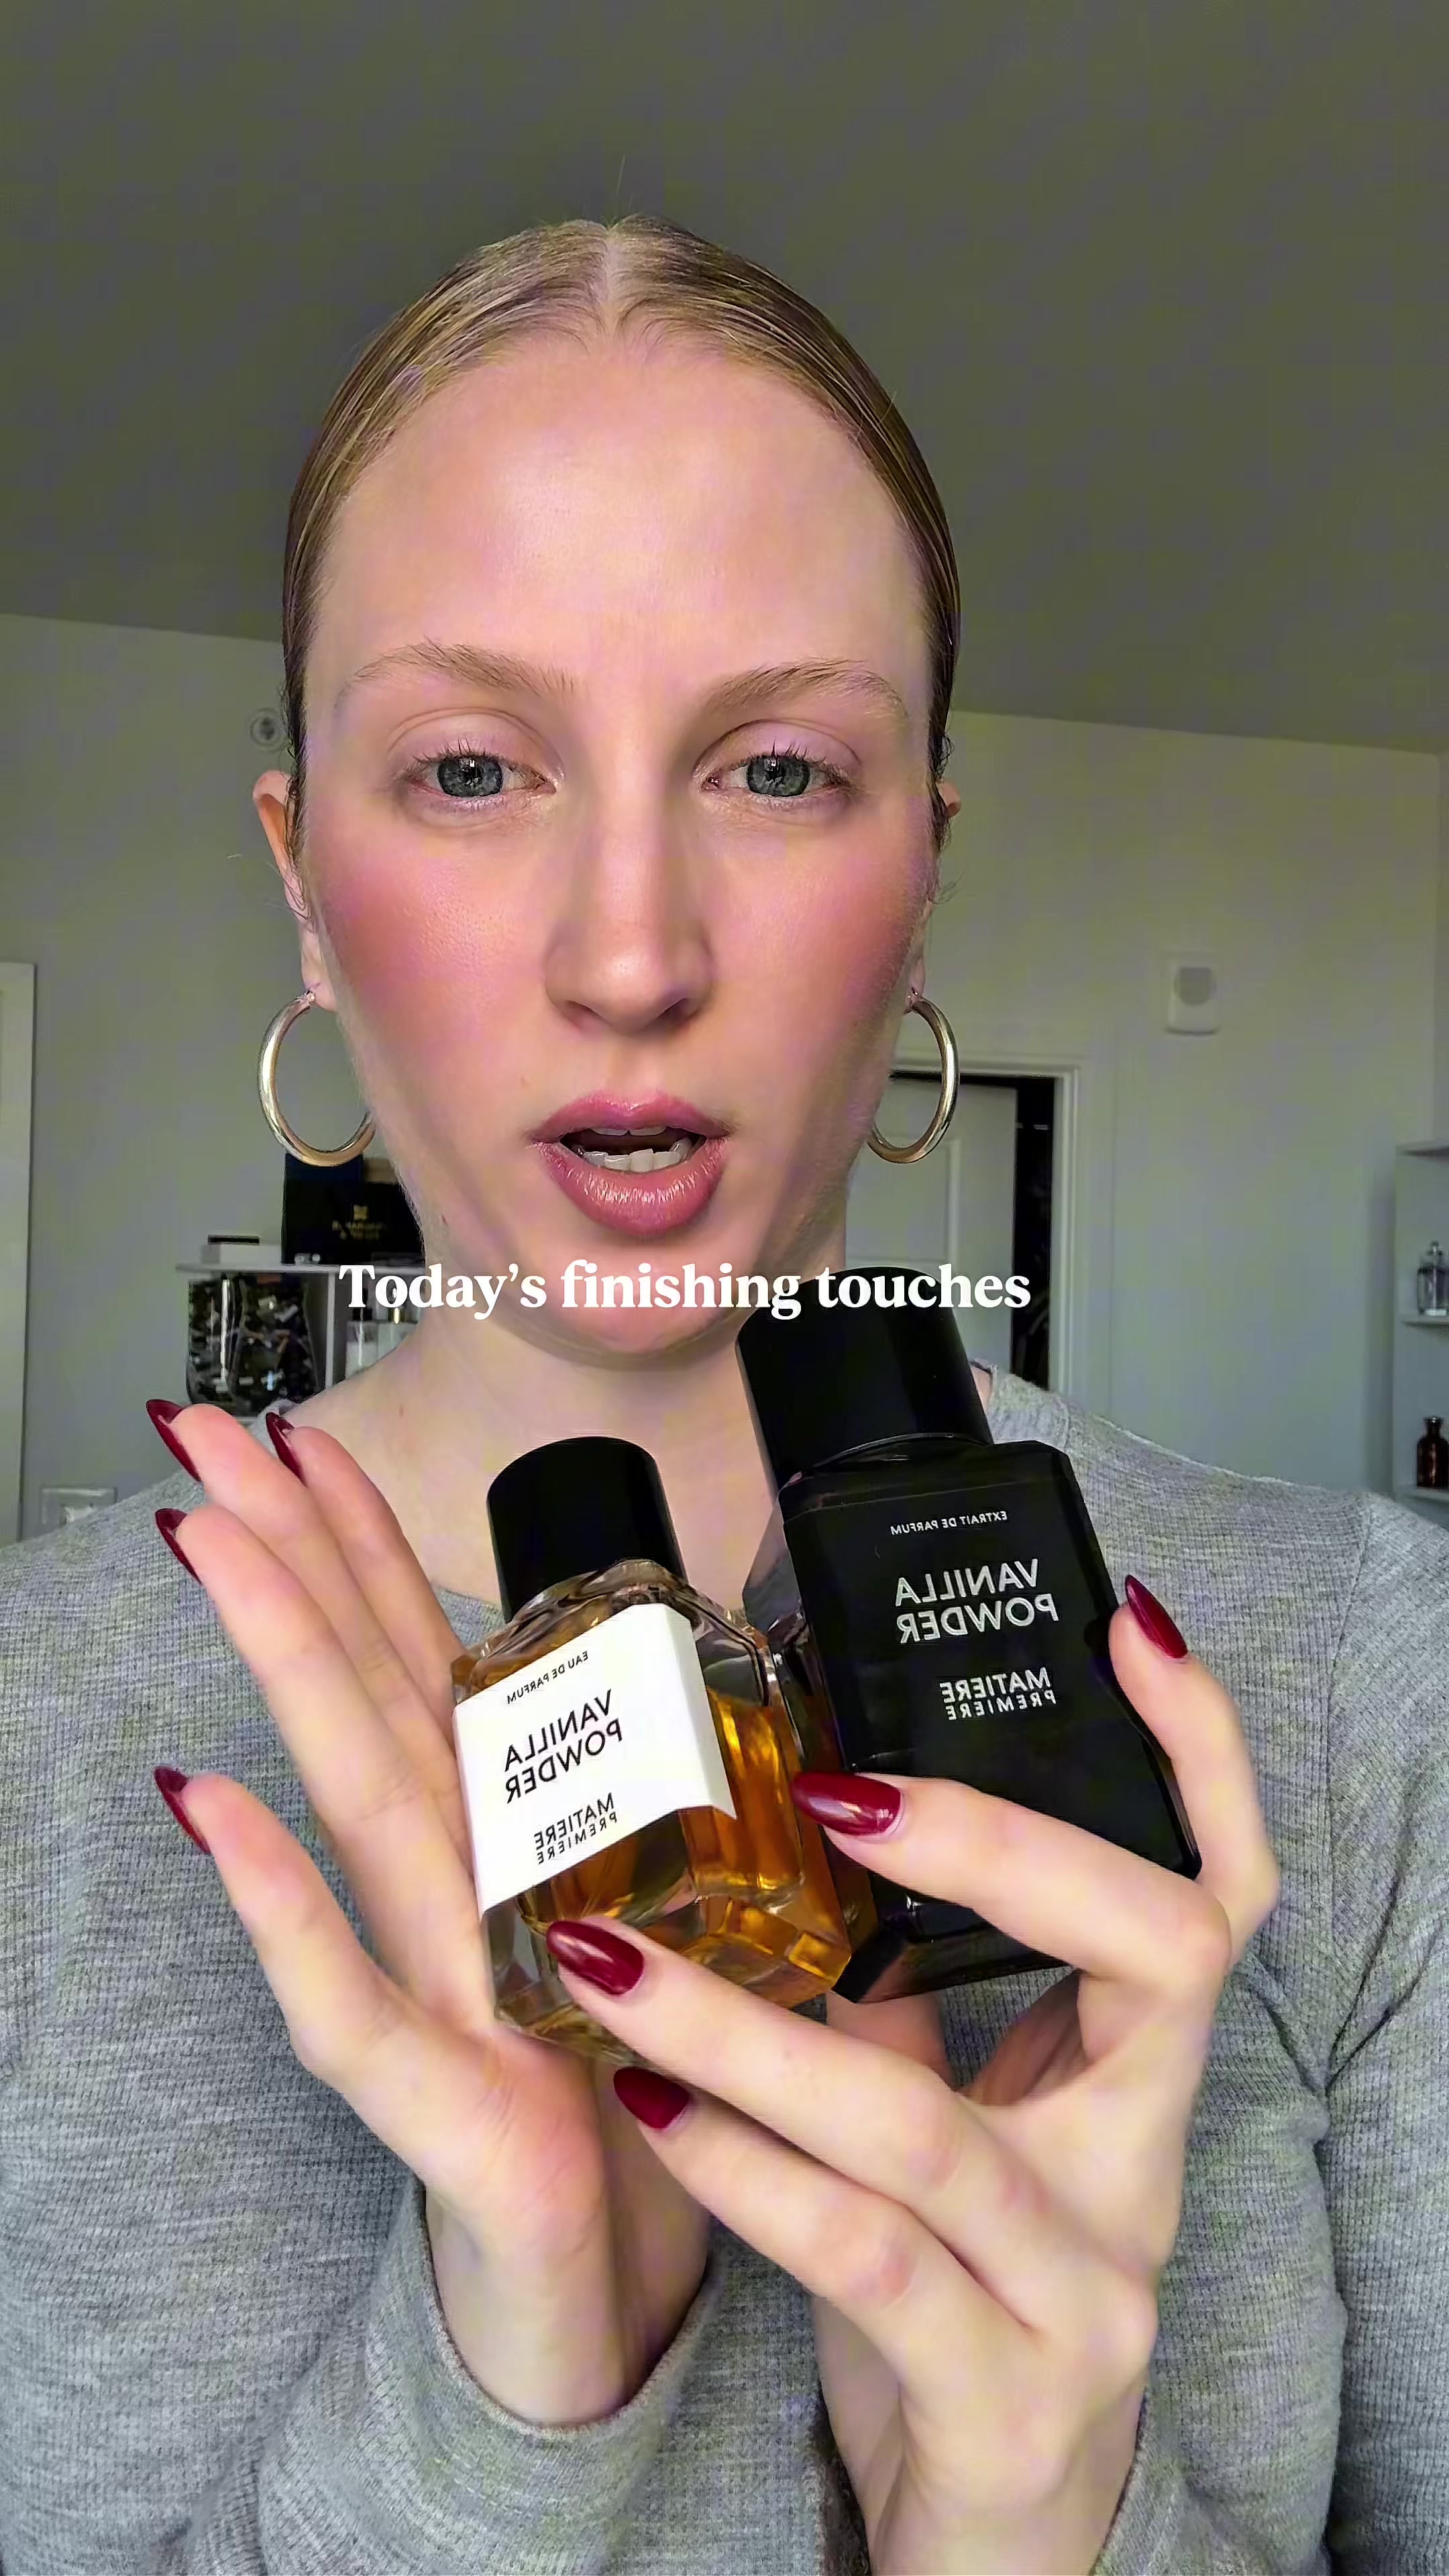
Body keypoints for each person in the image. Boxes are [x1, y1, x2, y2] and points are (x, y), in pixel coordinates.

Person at [3, 213, 1446, 2576]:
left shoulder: (1372, 1685)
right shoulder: (31, 1736)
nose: (632, 953)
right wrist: (495, 2406)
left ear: (922, 874)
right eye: (472, 768)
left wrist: (1029, 2523)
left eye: (778, 769)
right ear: (305, 884)